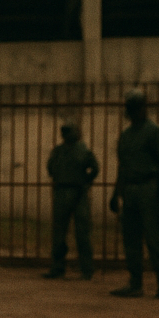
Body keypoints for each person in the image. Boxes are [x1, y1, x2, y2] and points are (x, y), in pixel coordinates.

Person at [109, 89, 159, 299]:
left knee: (155, 237)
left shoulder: (154, 132)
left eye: (138, 107)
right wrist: (116, 193)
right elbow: (123, 166)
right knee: (131, 238)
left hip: (148, 187)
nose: (135, 112)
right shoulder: (126, 135)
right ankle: (135, 283)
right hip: (131, 189)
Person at [42, 120, 100, 280]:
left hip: (77, 192)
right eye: (65, 131)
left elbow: (95, 168)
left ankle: (86, 269)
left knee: (82, 232)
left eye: (69, 131)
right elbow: (50, 167)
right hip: (64, 191)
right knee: (59, 233)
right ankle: (58, 267)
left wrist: (85, 182)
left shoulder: (81, 150)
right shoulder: (60, 151)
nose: (67, 134)